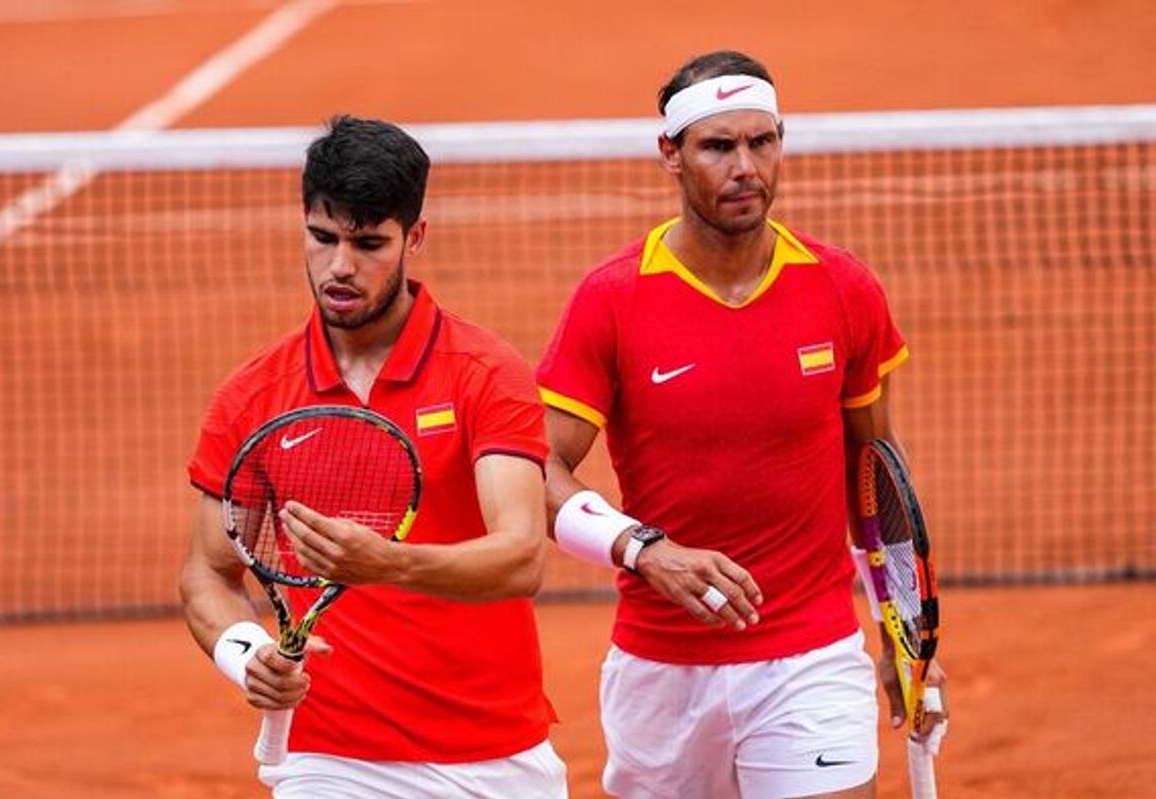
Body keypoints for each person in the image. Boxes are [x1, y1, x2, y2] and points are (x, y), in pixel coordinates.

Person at [537, 51, 949, 799]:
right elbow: (536, 470)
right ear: (670, 153)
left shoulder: (841, 287)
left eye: (762, 142)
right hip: (661, 666)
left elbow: (875, 470)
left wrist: (901, 625)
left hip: (810, 657)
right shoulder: (613, 299)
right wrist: (643, 549)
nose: (745, 168)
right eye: (718, 146)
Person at [180, 115, 567, 798]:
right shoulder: (254, 395)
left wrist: (386, 563)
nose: (340, 266)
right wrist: (246, 653)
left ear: (414, 237)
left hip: (495, 754)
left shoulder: (484, 373)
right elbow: (208, 571)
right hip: (331, 759)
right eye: (322, 237)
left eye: (368, 243)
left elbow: (520, 556)